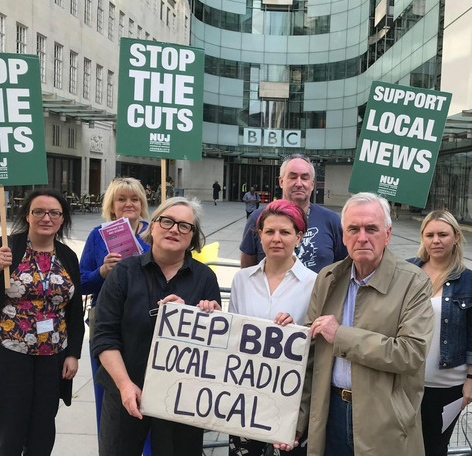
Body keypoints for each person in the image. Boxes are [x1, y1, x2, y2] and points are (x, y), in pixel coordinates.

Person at [280, 192, 433, 456]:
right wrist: (298, 419)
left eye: (371, 228)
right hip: (330, 414)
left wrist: (341, 335)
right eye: (353, 228)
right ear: (343, 235)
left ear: (387, 234)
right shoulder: (328, 278)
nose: (362, 237)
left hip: (384, 418)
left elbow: (411, 354)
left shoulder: (414, 282)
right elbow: (311, 356)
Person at [91, 197, 220, 456]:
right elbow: (104, 336)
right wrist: (125, 385)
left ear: (193, 237)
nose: (174, 229)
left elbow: (213, 350)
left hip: (180, 401)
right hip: (125, 392)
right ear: (153, 226)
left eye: (184, 226)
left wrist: (205, 319)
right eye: (167, 221)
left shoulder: (205, 278)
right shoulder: (124, 272)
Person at [0, 189, 83, 455]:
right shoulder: (5, 248)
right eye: (38, 211)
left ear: (62, 219)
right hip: (9, 354)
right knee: (9, 426)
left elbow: (74, 311)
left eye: (54, 213)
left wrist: (73, 353)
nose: (46, 218)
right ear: (27, 216)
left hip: (53, 355)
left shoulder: (67, 256)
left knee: (43, 426)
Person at [202, 200, 316, 456]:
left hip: (289, 402)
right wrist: (213, 318)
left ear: (298, 237)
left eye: (285, 232)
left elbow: (316, 350)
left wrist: (297, 330)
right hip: (244, 400)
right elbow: (233, 336)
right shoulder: (242, 279)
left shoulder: (315, 283)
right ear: (260, 236)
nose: (276, 238)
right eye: (269, 232)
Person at [408, 211, 472, 456]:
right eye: (430, 234)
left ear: (456, 237)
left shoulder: (469, 281)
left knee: (434, 448)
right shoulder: (408, 270)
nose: (436, 240)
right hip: (407, 382)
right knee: (404, 447)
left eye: (443, 234)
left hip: (448, 386)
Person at [79, 177, 151, 444]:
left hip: (145, 322)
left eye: (134, 198)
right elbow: (80, 280)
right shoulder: (98, 235)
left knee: (147, 392)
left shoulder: (153, 233)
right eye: (121, 199)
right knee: (109, 393)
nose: (128, 204)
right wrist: (102, 271)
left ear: (142, 202)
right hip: (107, 323)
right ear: (112, 204)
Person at [240, 155, 347, 273]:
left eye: (305, 178)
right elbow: (248, 270)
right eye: (293, 177)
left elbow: (344, 268)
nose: (299, 183)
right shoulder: (258, 219)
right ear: (281, 182)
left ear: (312, 184)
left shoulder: (332, 221)